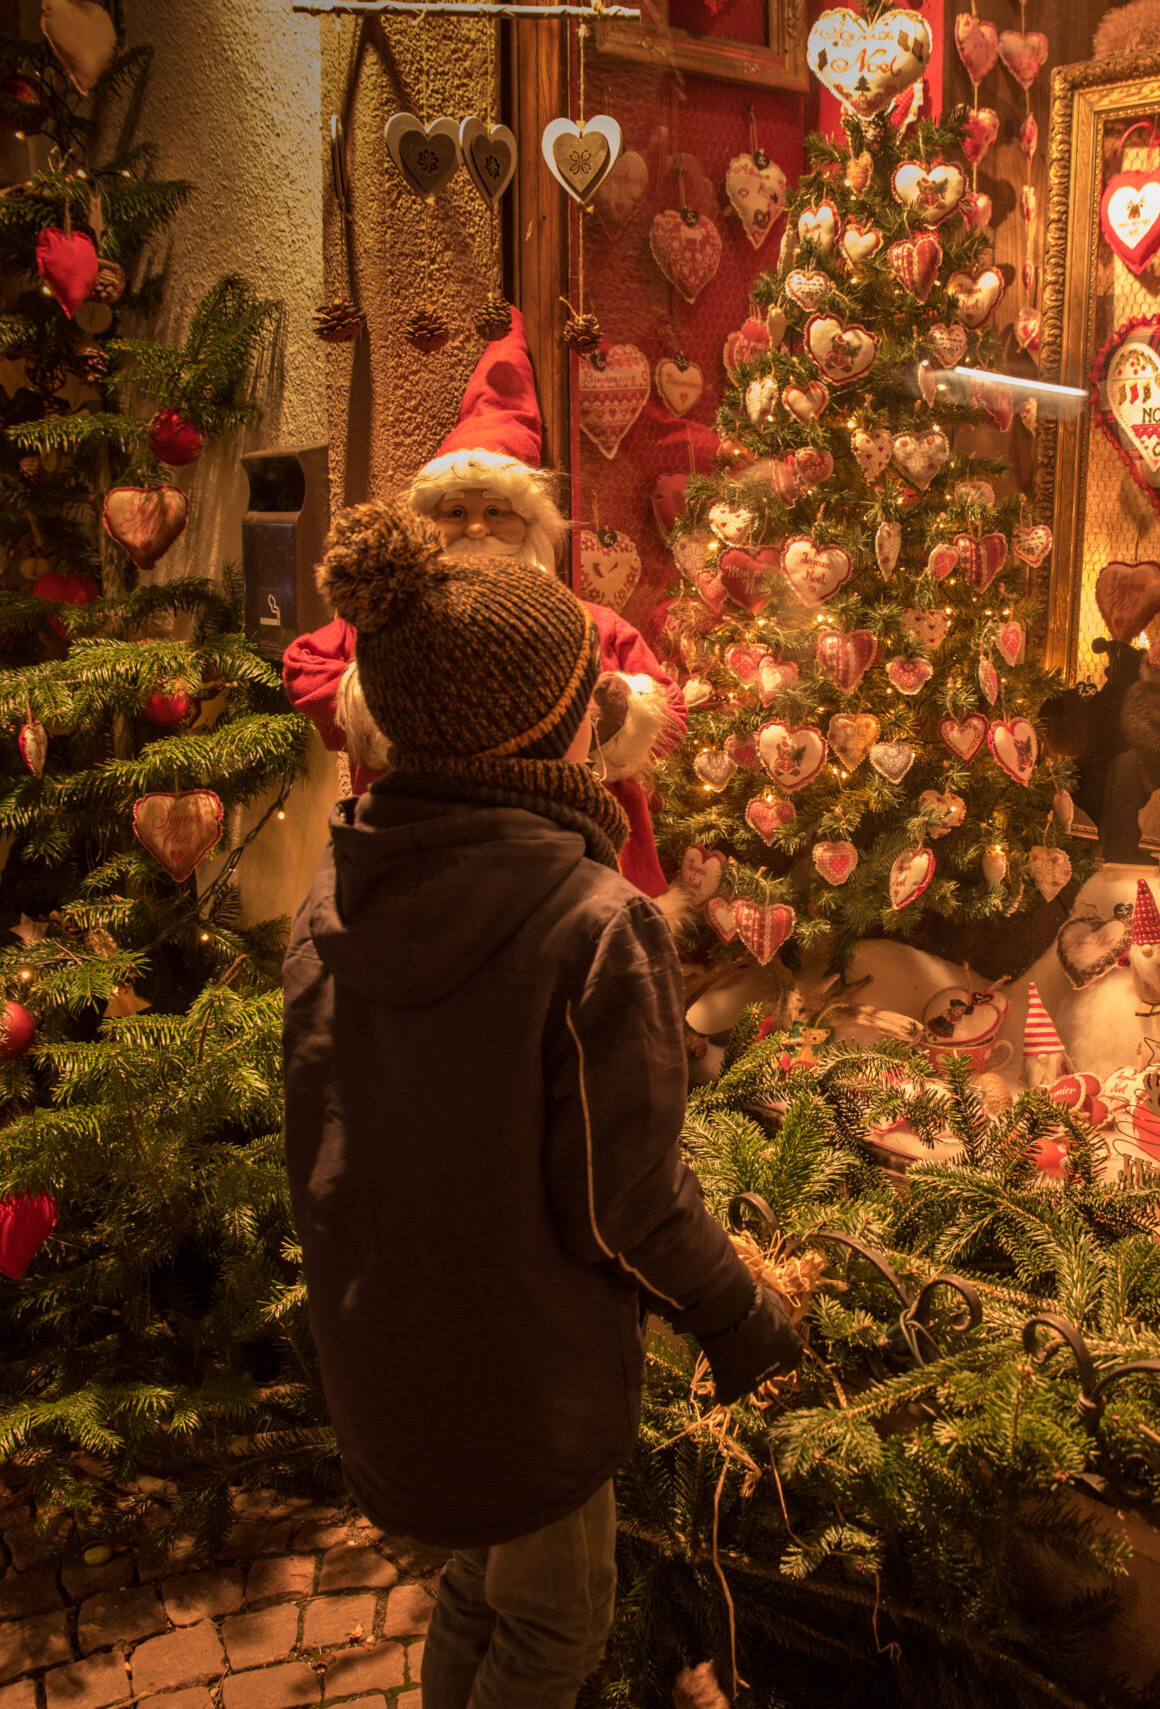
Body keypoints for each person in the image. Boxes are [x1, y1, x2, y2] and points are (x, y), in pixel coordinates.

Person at [283, 500, 801, 1709]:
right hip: (530, 1376)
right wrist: (735, 1313)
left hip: (391, 1344)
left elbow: (321, 1123)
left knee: (475, 1587)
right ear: (554, 726)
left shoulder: (337, 885)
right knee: (554, 1626)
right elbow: (622, 1197)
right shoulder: (593, 918)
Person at [282, 310, 683, 897]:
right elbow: (304, 666)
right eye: (454, 512)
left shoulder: (586, 625)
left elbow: (664, 702)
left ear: (530, 525)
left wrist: (613, 715)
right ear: (427, 522)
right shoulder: (384, 621)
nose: (474, 528)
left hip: (577, 866)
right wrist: (391, 706)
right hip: (422, 851)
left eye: (496, 512)